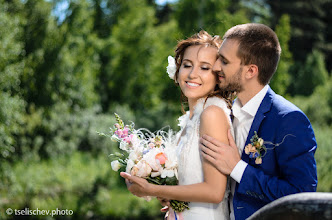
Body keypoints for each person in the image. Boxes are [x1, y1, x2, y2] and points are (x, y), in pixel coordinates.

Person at [199, 23, 318, 220]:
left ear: (250, 71)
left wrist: (238, 168)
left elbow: (301, 197)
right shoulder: (220, 113)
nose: (216, 66)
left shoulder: (289, 120)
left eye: (225, 61)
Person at [120, 31, 235, 219]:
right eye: (187, 65)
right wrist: (165, 193)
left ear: (218, 77)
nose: (192, 74)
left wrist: (152, 188)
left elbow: (215, 192)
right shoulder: (192, 119)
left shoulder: (212, 114)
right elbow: (192, 183)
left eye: (204, 68)